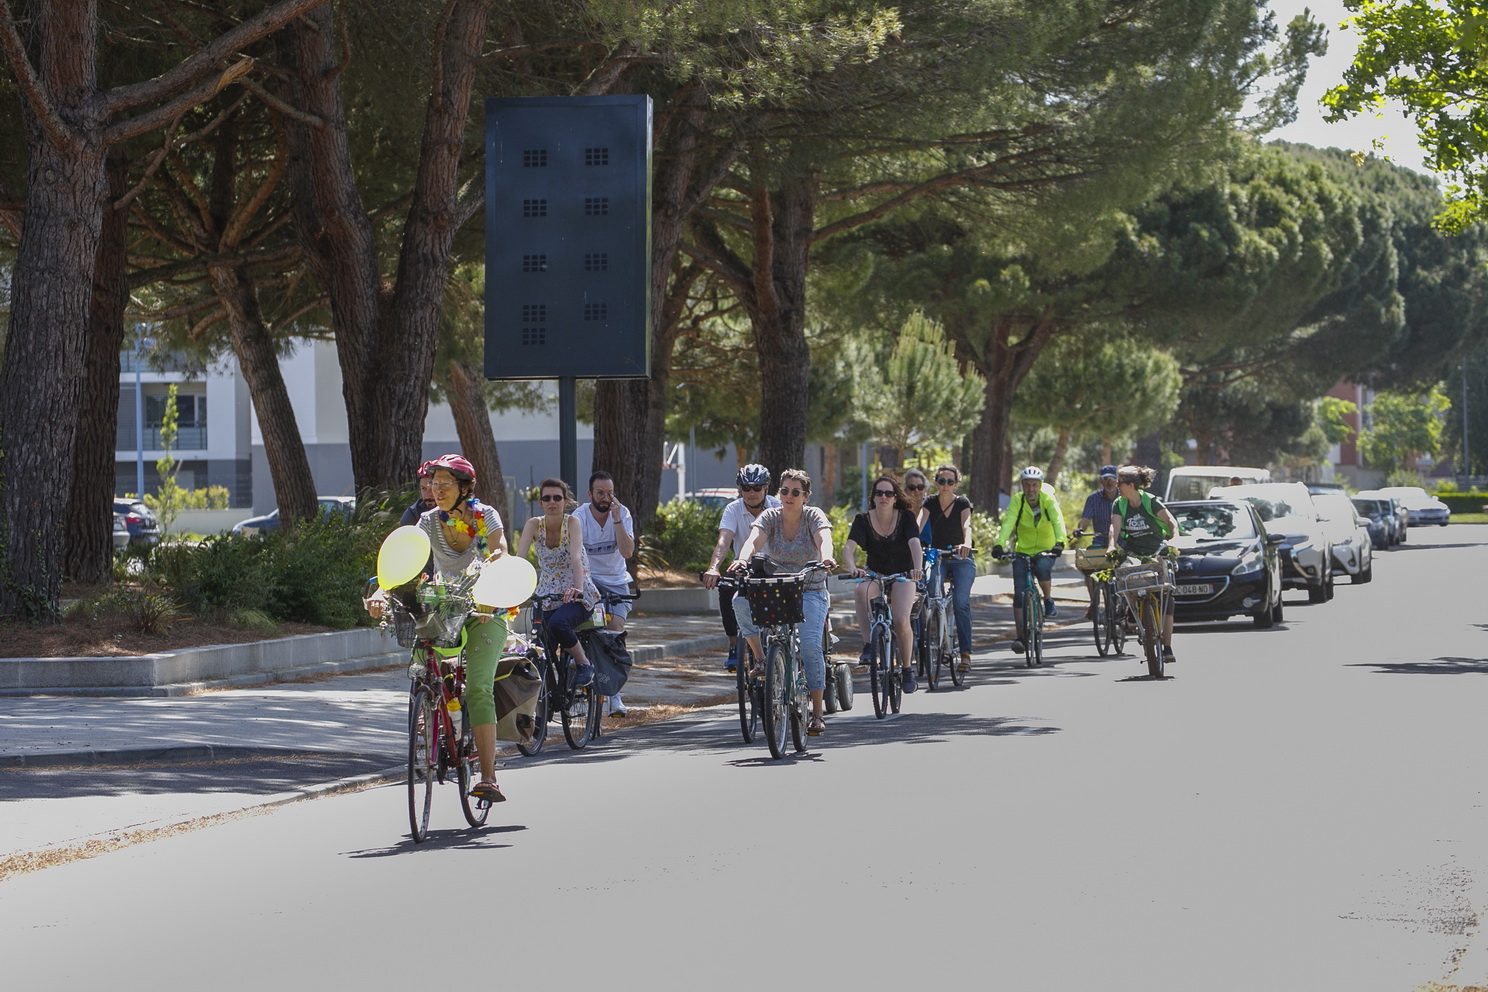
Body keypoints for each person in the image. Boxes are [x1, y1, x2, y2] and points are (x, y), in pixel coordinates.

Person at [417, 454, 509, 803]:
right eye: (432, 484)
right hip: (445, 607)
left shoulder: (484, 516)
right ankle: (433, 711)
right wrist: (382, 590)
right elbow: (405, 559)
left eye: (444, 485)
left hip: (486, 609)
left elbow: (498, 550)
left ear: (465, 487)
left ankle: (488, 777)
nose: (435, 490)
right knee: (424, 668)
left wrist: (492, 586)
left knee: (479, 689)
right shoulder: (427, 521)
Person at [726, 469, 838, 736]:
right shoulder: (770, 517)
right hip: (778, 587)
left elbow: (825, 540)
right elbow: (753, 541)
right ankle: (762, 659)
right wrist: (743, 559)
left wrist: (826, 558)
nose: (789, 496)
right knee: (740, 601)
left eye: (795, 492)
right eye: (784, 491)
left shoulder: (813, 516)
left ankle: (818, 714)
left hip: (810, 587)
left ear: (805, 497)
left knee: (810, 646)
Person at [517, 477, 602, 698]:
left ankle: (584, 664)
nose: (552, 502)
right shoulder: (534, 525)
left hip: (577, 590)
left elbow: (575, 557)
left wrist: (578, 588)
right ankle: (538, 715)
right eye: (547, 498)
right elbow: (520, 560)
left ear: (565, 501)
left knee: (558, 623)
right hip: (547, 594)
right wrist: (513, 590)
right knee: (538, 649)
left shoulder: (572, 522)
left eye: (557, 498)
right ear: (540, 502)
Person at [843, 474, 923, 693]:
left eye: (889, 493)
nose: (884, 497)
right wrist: (852, 567)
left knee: (900, 619)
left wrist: (917, 568)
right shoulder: (863, 520)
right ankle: (869, 644)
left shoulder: (906, 517)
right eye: (879, 493)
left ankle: (907, 669)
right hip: (875, 573)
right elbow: (848, 548)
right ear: (873, 497)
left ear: (895, 497)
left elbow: (915, 543)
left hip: (903, 574)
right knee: (861, 591)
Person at [702, 463, 781, 673]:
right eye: (746, 488)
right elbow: (723, 541)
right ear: (740, 489)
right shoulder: (733, 509)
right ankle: (734, 644)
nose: (751, 493)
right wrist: (713, 568)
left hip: (775, 568)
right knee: (726, 589)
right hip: (744, 568)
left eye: (757, 488)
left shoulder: (777, 507)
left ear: (766, 488)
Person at [576, 471, 636, 717]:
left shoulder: (622, 514)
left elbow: (627, 552)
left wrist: (618, 520)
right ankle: (578, 686)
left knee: (614, 629)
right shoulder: (578, 517)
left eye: (609, 493)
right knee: (580, 630)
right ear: (590, 494)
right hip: (589, 580)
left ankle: (614, 695)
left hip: (616, 581)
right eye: (600, 493)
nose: (605, 498)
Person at [1107, 464, 1180, 663]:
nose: (1116, 485)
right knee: (1125, 577)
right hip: (1133, 552)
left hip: (1156, 551)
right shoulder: (1119, 504)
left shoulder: (1151, 502)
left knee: (1166, 595)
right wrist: (1112, 547)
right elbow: (1114, 529)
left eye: (1119, 482)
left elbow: (1171, 521)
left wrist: (1174, 540)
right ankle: (1133, 611)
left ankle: (1167, 647)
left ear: (1131, 485)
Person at [993, 465, 1067, 654]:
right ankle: (1020, 638)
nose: (1031, 489)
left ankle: (1048, 600)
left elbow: (1058, 521)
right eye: (1027, 485)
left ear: (1040, 486)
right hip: (1023, 550)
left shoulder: (1047, 500)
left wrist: (1060, 542)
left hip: (1045, 548)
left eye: (1035, 485)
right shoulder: (1018, 501)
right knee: (1019, 594)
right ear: (1022, 486)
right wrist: (999, 544)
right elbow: (1008, 522)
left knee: (1043, 568)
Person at [920, 463, 976, 673]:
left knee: (961, 603)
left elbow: (966, 526)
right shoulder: (930, 502)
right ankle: (938, 642)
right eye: (941, 481)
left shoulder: (962, 502)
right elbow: (919, 523)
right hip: (938, 556)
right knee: (933, 597)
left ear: (956, 484)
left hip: (960, 556)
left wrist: (966, 544)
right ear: (936, 483)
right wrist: (912, 542)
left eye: (950, 482)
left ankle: (965, 654)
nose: (945, 485)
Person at [1072, 465, 1120, 620]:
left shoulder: (1123, 497)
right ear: (1101, 481)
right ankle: (1094, 602)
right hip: (1100, 540)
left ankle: (1125, 604)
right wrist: (1079, 529)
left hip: (1120, 541)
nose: (1109, 482)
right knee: (1088, 564)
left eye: (1112, 478)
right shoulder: (1093, 499)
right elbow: (1085, 519)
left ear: (1117, 480)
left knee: (1126, 568)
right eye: (1106, 479)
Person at [399, 461, 437, 526]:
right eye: (423, 488)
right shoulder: (413, 514)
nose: (427, 495)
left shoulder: (454, 509)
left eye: (432, 489)